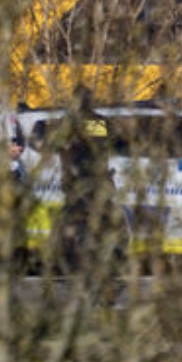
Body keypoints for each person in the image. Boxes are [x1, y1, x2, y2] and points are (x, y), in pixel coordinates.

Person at [50, 89, 122, 274]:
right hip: (100, 179)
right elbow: (113, 144)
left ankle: (70, 261)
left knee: (71, 219)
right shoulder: (101, 122)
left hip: (78, 180)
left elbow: (59, 148)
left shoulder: (69, 122)